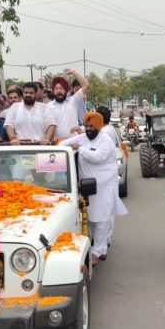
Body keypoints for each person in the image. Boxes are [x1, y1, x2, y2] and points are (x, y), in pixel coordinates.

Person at [60, 112, 128, 266]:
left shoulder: (106, 140)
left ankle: (97, 252)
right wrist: (73, 146)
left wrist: (79, 149)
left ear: (98, 126)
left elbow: (98, 157)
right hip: (86, 186)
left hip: (104, 186)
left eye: (92, 126)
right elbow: (62, 144)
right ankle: (98, 248)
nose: (89, 129)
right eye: (87, 126)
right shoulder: (83, 137)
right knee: (89, 218)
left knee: (102, 218)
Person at [48, 69, 89, 140]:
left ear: (66, 90)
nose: (58, 91)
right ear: (53, 91)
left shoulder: (73, 101)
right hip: (58, 146)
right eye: (56, 88)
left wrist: (73, 72)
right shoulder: (48, 106)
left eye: (61, 88)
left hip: (75, 144)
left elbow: (86, 85)